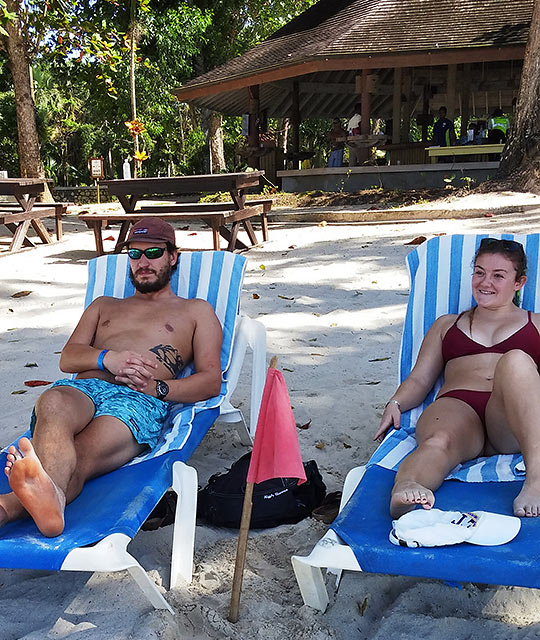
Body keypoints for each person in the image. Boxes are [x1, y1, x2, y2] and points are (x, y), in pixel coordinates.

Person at [0, 217, 222, 537]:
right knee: (52, 401)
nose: (143, 262)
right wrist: (108, 358)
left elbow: (210, 380)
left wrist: (157, 387)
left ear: (173, 256)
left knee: (81, 455)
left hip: (138, 399)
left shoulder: (196, 310)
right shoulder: (104, 305)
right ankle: (49, 503)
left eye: (153, 253)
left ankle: (11, 506)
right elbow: (69, 357)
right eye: (134, 254)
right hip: (85, 388)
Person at [374, 238, 540, 519]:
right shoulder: (446, 325)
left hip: (511, 420)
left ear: (519, 283)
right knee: (438, 440)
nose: (485, 282)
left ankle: (536, 479)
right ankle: (408, 486)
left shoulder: (536, 323)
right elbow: (419, 379)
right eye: (479, 272)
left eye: (498, 275)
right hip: (460, 410)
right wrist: (396, 403)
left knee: (516, 360)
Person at [347, 102, 363, 167]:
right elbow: (360, 126)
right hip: (357, 141)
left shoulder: (352, 119)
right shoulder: (360, 117)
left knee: (352, 160)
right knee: (361, 159)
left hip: (351, 140)